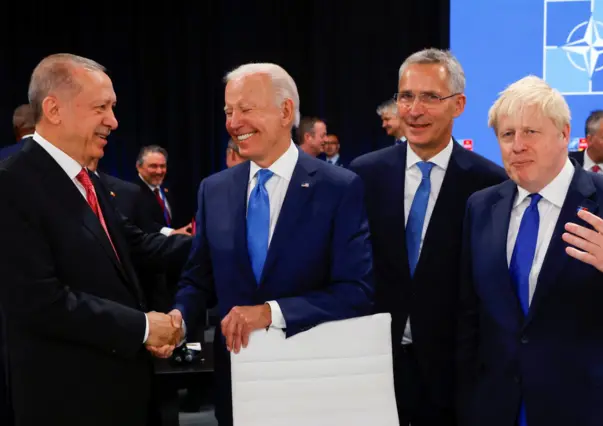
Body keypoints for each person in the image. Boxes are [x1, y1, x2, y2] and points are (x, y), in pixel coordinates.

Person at [164, 62, 374, 426]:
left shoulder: (339, 187)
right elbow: (198, 279)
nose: (234, 122)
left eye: (246, 109)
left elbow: (356, 291)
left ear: (286, 111)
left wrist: (271, 312)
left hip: (314, 384)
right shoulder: (214, 190)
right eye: (229, 111)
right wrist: (178, 318)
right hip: (239, 388)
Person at [0, 53, 191, 426]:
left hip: (121, 390)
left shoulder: (89, 179)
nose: (113, 121)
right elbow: (40, 302)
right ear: (54, 109)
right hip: (67, 401)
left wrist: (217, 242)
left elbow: (134, 245)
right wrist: (146, 328)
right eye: (101, 107)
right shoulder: (11, 183)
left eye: (113, 108)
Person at [457, 75, 603, 426]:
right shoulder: (481, 207)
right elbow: (471, 313)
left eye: (531, 132)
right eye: (507, 134)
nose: (517, 145)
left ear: (564, 134)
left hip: (589, 410)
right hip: (500, 408)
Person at [350, 48, 506, 426]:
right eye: (406, 96)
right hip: (372, 371)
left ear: (458, 105)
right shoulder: (363, 175)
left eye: (430, 97)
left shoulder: (489, 184)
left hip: (454, 380)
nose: (414, 110)